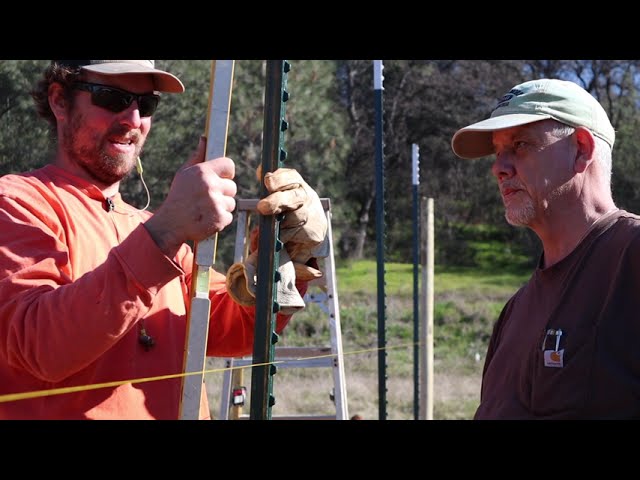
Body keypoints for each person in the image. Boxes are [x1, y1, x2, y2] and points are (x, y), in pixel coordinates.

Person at [0, 60, 328, 420]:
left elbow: (235, 325)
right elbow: (40, 346)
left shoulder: (150, 231)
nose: (134, 119)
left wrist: (281, 258)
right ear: (60, 100)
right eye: (112, 98)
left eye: (146, 103)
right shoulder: (17, 203)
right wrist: (168, 231)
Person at [451, 78, 640, 419]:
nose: (499, 167)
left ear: (581, 148)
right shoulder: (514, 312)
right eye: (497, 152)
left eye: (520, 144)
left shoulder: (631, 256)